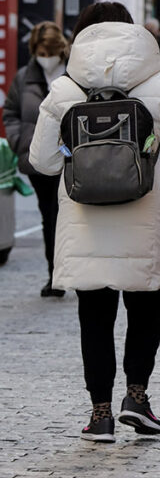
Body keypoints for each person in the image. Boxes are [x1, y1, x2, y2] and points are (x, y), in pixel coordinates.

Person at [28, 2, 160, 443]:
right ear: (132, 33)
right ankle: (138, 399)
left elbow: (43, 162)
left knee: (95, 314)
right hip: (146, 213)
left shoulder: (64, 86)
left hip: (85, 218)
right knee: (148, 308)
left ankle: (100, 415)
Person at [3, 21, 69, 297]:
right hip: (37, 157)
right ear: (34, 49)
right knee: (48, 214)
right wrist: (21, 143)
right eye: (43, 50)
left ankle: (72, 271)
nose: (48, 55)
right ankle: (54, 274)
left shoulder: (74, 74)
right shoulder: (23, 78)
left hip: (70, 158)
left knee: (68, 215)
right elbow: (11, 113)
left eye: (52, 50)